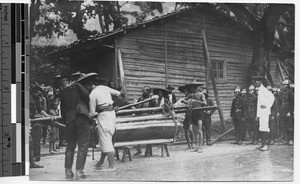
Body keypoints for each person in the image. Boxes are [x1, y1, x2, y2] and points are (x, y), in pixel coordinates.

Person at [83, 73, 123, 172]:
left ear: (89, 85)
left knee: (106, 140)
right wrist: (116, 105)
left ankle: (112, 165)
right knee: (106, 139)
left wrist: (87, 115)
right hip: (111, 114)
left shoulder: (92, 95)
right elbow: (119, 94)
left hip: (103, 116)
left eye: (86, 87)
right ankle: (101, 162)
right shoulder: (104, 87)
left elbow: (92, 113)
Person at [59, 75, 92, 179]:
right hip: (82, 116)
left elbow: (62, 110)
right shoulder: (78, 86)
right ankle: (79, 171)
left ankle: (68, 172)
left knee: (70, 146)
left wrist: (67, 122)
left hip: (70, 120)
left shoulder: (63, 92)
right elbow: (87, 97)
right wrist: (77, 84)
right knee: (83, 145)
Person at [182, 83, 207, 153]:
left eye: (192, 87)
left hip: (199, 113)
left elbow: (205, 103)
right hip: (193, 113)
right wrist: (185, 102)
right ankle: (196, 147)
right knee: (195, 131)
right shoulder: (191, 94)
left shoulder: (201, 94)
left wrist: (195, 101)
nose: (190, 89)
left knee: (199, 130)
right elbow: (184, 99)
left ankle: (201, 147)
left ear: (195, 87)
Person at [134, 86, 157, 156]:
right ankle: (138, 149)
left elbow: (154, 109)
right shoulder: (140, 99)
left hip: (148, 118)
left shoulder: (152, 100)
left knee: (148, 134)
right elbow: (137, 108)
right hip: (140, 118)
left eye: (145, 91)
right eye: (142, 91)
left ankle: (148, 150)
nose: (143, 92)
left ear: (149, 92)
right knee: (138, 134)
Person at [255, 78, 275, 151]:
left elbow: (272, 97)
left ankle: (265, 145)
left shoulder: (264, 90)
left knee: (264, 128)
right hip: (261, 112)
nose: (255, 82)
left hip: (265, 112)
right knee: (261, 127)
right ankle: (262, 144)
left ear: (260, 82)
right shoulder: (260, 90)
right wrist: (257, 115)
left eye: (257, 81)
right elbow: (258, 104)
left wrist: (267, 105)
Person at [278, 79, 294, 145]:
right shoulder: (281, 93)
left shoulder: (290, 92)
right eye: (282, 85)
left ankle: (290, 140)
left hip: (287, 112)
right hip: (282, 112)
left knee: (289, 126)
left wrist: (290, 112)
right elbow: (279, 103)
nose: (283, 86)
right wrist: (279, 112)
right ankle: (287, 139)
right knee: (283, 126)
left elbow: (292, 103)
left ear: (287, 85)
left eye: (284, 85)